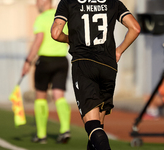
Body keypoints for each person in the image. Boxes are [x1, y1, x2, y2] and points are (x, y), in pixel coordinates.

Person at [51, 0, 140, 149]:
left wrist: (70, 39)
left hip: (84, 65)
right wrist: (119, 50)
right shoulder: (113, 2)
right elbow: (135, 28)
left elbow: (55, 33)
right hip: (108, 66)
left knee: (92, 125)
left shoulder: (68, 2)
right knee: (97, 127)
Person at [21, 0, 71, 144]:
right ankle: (65, 129)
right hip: (62, 61)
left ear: (45, 2)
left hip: (45, 61)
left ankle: (41, 135)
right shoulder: (63, 17)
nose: (36, 4)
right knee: (59, 95)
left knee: (41, 97)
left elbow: (38, 41)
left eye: (38, 1)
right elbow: (69, 39)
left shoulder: (41, 18)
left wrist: (28, 61)